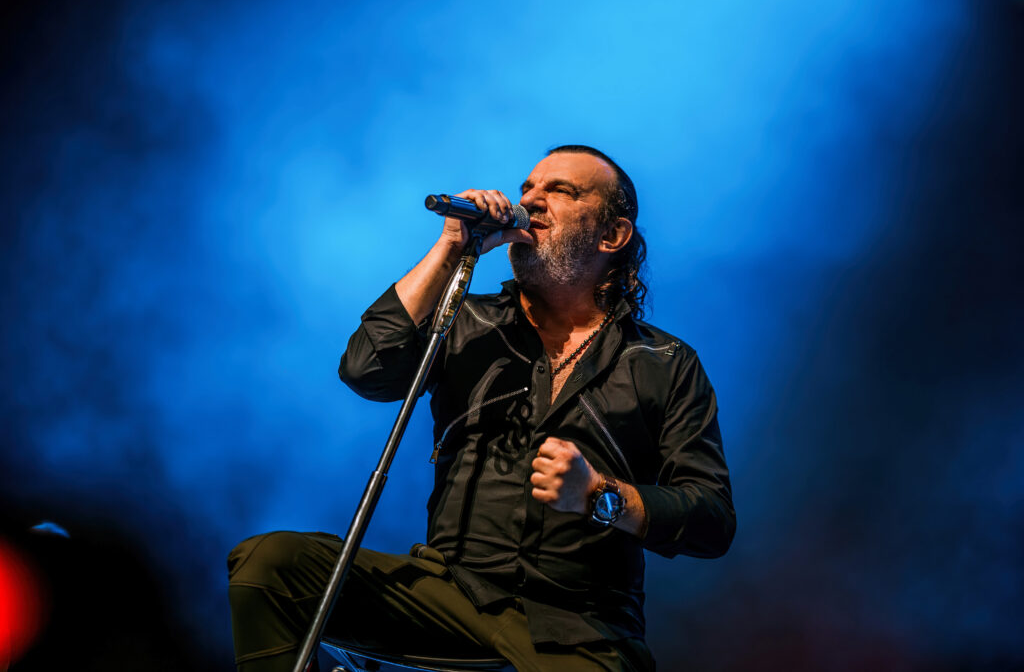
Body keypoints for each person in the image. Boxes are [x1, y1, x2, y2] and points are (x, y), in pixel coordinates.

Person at [227, 145, 736, 672]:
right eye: (527, 189)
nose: (531, 200)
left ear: (613, 235)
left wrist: (599, 495)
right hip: (448, 593)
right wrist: (451, 246)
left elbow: (711, 518)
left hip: (580, 623)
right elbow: (365, 368)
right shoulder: (465, 322)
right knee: (269, 565)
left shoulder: (664, 362)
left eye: (561, 191)